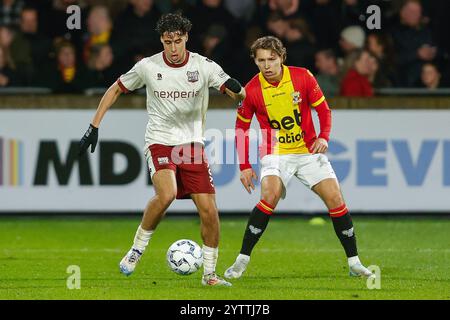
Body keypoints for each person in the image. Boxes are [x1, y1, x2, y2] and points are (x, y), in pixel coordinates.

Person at [78, 13, 245, 287]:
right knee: (165, 194)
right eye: (168, 42)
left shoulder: (204, 66)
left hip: (192, 145)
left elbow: (235, 91)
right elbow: (115, 89)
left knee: (210, 211)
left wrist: (237, 94)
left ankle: (210, 275)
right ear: (161, 40)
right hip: (160, 141)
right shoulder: (147, 66)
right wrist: (93, 126)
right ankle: (136, 251)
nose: (174, 48)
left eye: (178, 41)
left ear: (186, 38)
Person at [224, 36, 373, 280]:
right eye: (261, 60)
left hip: (307, 151)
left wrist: (323, 137)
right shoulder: (251, 90)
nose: (266, 65)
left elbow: (323, 110)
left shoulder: (303, 77)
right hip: (275, 152)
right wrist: (244, 166)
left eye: (271, 59)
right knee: (269, 196)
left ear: (281, 57)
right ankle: (242, 260)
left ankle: (354, 263)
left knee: (336, 199)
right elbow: (241, 129)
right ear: (255, 61)